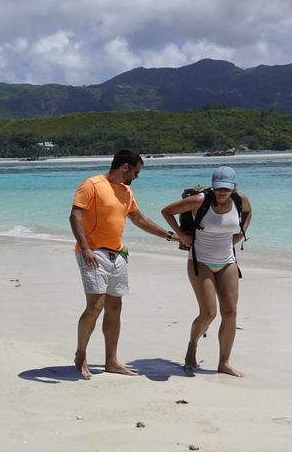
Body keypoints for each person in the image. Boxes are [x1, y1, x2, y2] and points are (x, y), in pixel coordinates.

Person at [68, 149, 176, 379]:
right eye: (136, 172)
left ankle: (112, 361)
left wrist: (170, 236)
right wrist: (85, 248)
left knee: (115, 307)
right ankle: (81, 355)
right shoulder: (92, 185)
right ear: (125, 167)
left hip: (117, 254)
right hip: (93, 252)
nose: (137, 177)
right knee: (95, 306)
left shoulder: (126, 191)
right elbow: (75, 216)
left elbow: (138, 218)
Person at [161, 166, 252, 377]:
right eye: (218, 188)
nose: (222, 192)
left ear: (233, 187)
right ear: (213, 186)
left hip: (227, 261)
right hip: (200, 261)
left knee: (230, 312)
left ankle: (224, 363)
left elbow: (248, 212)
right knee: (209, 313)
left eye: (226, 188)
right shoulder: (199, 201)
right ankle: (192, 344)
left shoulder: (240, 200)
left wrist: (241, 234)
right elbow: (166, 212)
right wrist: (182, 236)